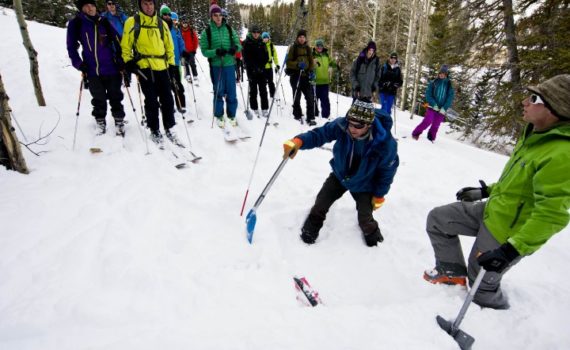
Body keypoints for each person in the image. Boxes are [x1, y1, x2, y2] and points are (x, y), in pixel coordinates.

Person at [423, 74, 570, 310]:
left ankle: (496, 316)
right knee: (439, 219)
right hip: (494, 208)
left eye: (534, 98)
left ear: (555, 108)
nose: (525, 102)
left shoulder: (562, 154)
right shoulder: (534, 133)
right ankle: (451, 271)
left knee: (480, 283)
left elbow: (552, 215)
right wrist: (484, 191)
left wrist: (511, 250)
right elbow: (518, 183)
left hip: (508, 230)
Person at [282, 99, 399, 246]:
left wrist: (379, 194)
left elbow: (387, 172)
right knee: (320, 204)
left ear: (369, 124)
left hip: (364, 183)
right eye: (350, 122)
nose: (352, 128)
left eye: (358, 125)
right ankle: (309, 231)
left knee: (365, 218)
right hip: (340, 175)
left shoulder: (385, 144)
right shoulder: (342, 125)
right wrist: (299, 141)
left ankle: (373, 237)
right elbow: (320, 134)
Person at [121, 0, 180, 145]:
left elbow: (169, 46)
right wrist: (129, 62)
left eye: (151, 4)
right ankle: (154, 130)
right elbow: (126, 45)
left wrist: (172, 65)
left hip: (162, 67)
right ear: (140, 5)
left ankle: (169, 127)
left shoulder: (161, 23)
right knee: (151, 101)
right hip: (145, 68)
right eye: (145, 4)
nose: (149, 7)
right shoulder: (132, 22)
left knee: (167, 99)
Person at [67, 0, 126, 136]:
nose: (90, 8)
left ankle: (119, 120)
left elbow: (117, 40)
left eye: (92, 5)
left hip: (111, 67)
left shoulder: (104, 21)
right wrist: (79, 64)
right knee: (98, 97)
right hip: (92, 69)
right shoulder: (76, 23)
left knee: (115, 95)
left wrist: (121, 59)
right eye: (86, 5)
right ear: (81, 8)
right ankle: (100, 121)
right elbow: (71, 47)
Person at [199, 3, 242, 128]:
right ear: (211, 17)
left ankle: (231, 115)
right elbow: (204, 51)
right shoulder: (207, 31)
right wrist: (216, 52)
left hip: (229, 64)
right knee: (219, 91)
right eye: (215, 15)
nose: (218, 18)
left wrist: (235, 48)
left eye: (220, 15)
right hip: (216, 66)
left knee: (232, 92)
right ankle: (219, 115)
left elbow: (238, 45)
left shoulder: (229, 29)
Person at [411, 65, 455, 142]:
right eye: (440, 73)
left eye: (443, 73)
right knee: (427, 121)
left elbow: (450, 98)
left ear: (446, 74)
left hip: (442, 109)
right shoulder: (433, 82)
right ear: (439, 73)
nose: (441, 75)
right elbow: (428, 95)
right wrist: (434, 104)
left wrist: (444, 108)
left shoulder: (449, 85)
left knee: (436, 125)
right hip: (432, 107)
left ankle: (431, 138)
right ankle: (415, 133)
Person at [285, 29, 316, 126]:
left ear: (305, 38)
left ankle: (310, 117)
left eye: (303, 37)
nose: (302, 39)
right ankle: (297, 114)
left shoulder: (308, 48)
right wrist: (298, 64)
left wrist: (311, 71)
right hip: (295, 76)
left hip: (305, 76)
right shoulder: (293, 48)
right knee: (296, 97)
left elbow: (311, 62)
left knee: (310, 97)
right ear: (297, 38)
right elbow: (288, 62)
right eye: (300, 37)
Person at [160, 7, 188, 114]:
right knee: (165, 86)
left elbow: (180, 42)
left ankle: (181, 104)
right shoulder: (159, 27)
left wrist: (183, 52)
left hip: (175, 61)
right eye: (164, 14)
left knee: (177, 84)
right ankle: (167, 107)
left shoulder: (175, 29)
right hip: (163, 63)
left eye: (168, 14)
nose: (166, 16)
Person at [242, 25, 269, 117]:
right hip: (251, 70)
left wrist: (261, 66)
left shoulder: (262, 43)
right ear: (251, 33)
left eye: (258, 32)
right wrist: (253, 67)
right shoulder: (246, 43)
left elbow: (266, 56)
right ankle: (254, 108)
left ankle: (264, 108)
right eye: (254, 32)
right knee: (253, 90)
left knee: (263, 90)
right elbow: (246, 58)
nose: (256, 34)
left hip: (261, 70)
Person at [312, 39, 337, 119]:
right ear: (315, 46)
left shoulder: (326, 55)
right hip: (315, 82)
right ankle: (314, 114)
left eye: (321, 46)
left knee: (325, 100)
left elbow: (331, 62)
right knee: (314, 100)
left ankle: (326, 116)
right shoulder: (312, 55)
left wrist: (335, 65)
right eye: (318, 46)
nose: (319, 47)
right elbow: (309, 64)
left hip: (325, 82)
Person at [378, 51, 402, 118]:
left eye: (395, 58)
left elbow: (400, 81)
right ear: (389, 58)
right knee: (384, 107)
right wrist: (383, 84)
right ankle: (381, 122)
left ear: (396, 59)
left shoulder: (397, 69)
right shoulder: (384, 67)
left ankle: (386, 123)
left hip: (391, 92)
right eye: (392, 58)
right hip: (383, 90)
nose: (393, 59)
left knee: (388, 109)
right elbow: (379, 79)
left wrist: (396, 84)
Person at [262, 32, 279, 99]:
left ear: (268, 38)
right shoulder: (260, 45)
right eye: (264, 38)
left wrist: (277, 64)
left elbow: (275, 56)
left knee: (270, 82)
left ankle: (272, 94)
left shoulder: (271, 46)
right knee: (263, 83)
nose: (265, 39)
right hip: (262, 67)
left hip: (269, 67)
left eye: (266, 38)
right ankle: (263, 95)